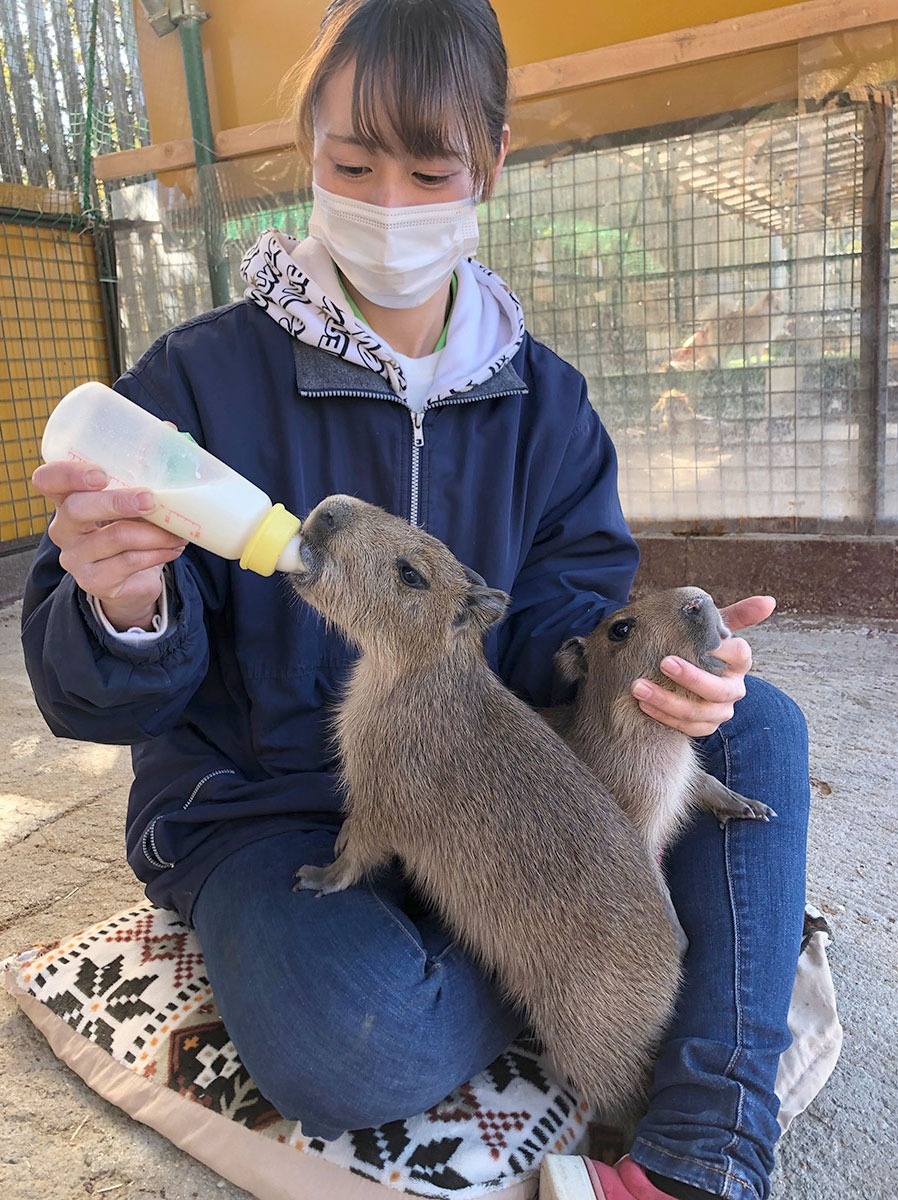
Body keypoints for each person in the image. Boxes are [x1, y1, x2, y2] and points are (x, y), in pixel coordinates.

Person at [21, 2, 809, 1198]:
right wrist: (124, 606)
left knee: (762, 728)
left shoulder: (545, 400)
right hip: (282, 812)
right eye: (352, 163)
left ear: (492, 160)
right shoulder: (195, 378)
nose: (390, 202)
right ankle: (637, 968)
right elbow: (92, 692)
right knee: (353, 1034)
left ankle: (699, 1147)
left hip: (506, 780)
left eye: (431, 168)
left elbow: (567, 614)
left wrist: (657, 678)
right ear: (306, 147)